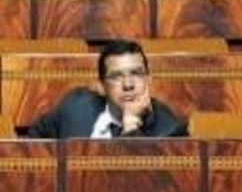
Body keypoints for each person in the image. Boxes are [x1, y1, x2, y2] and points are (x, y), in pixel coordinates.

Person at [27, 39, 187, 138]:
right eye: (116, 76)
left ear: (148, 80)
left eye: (136, 73)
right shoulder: (75, 107)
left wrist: (131, 126)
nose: (128, 85)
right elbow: (34, 142)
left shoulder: (168, 130)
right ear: (101, 86)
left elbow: (134, 184)